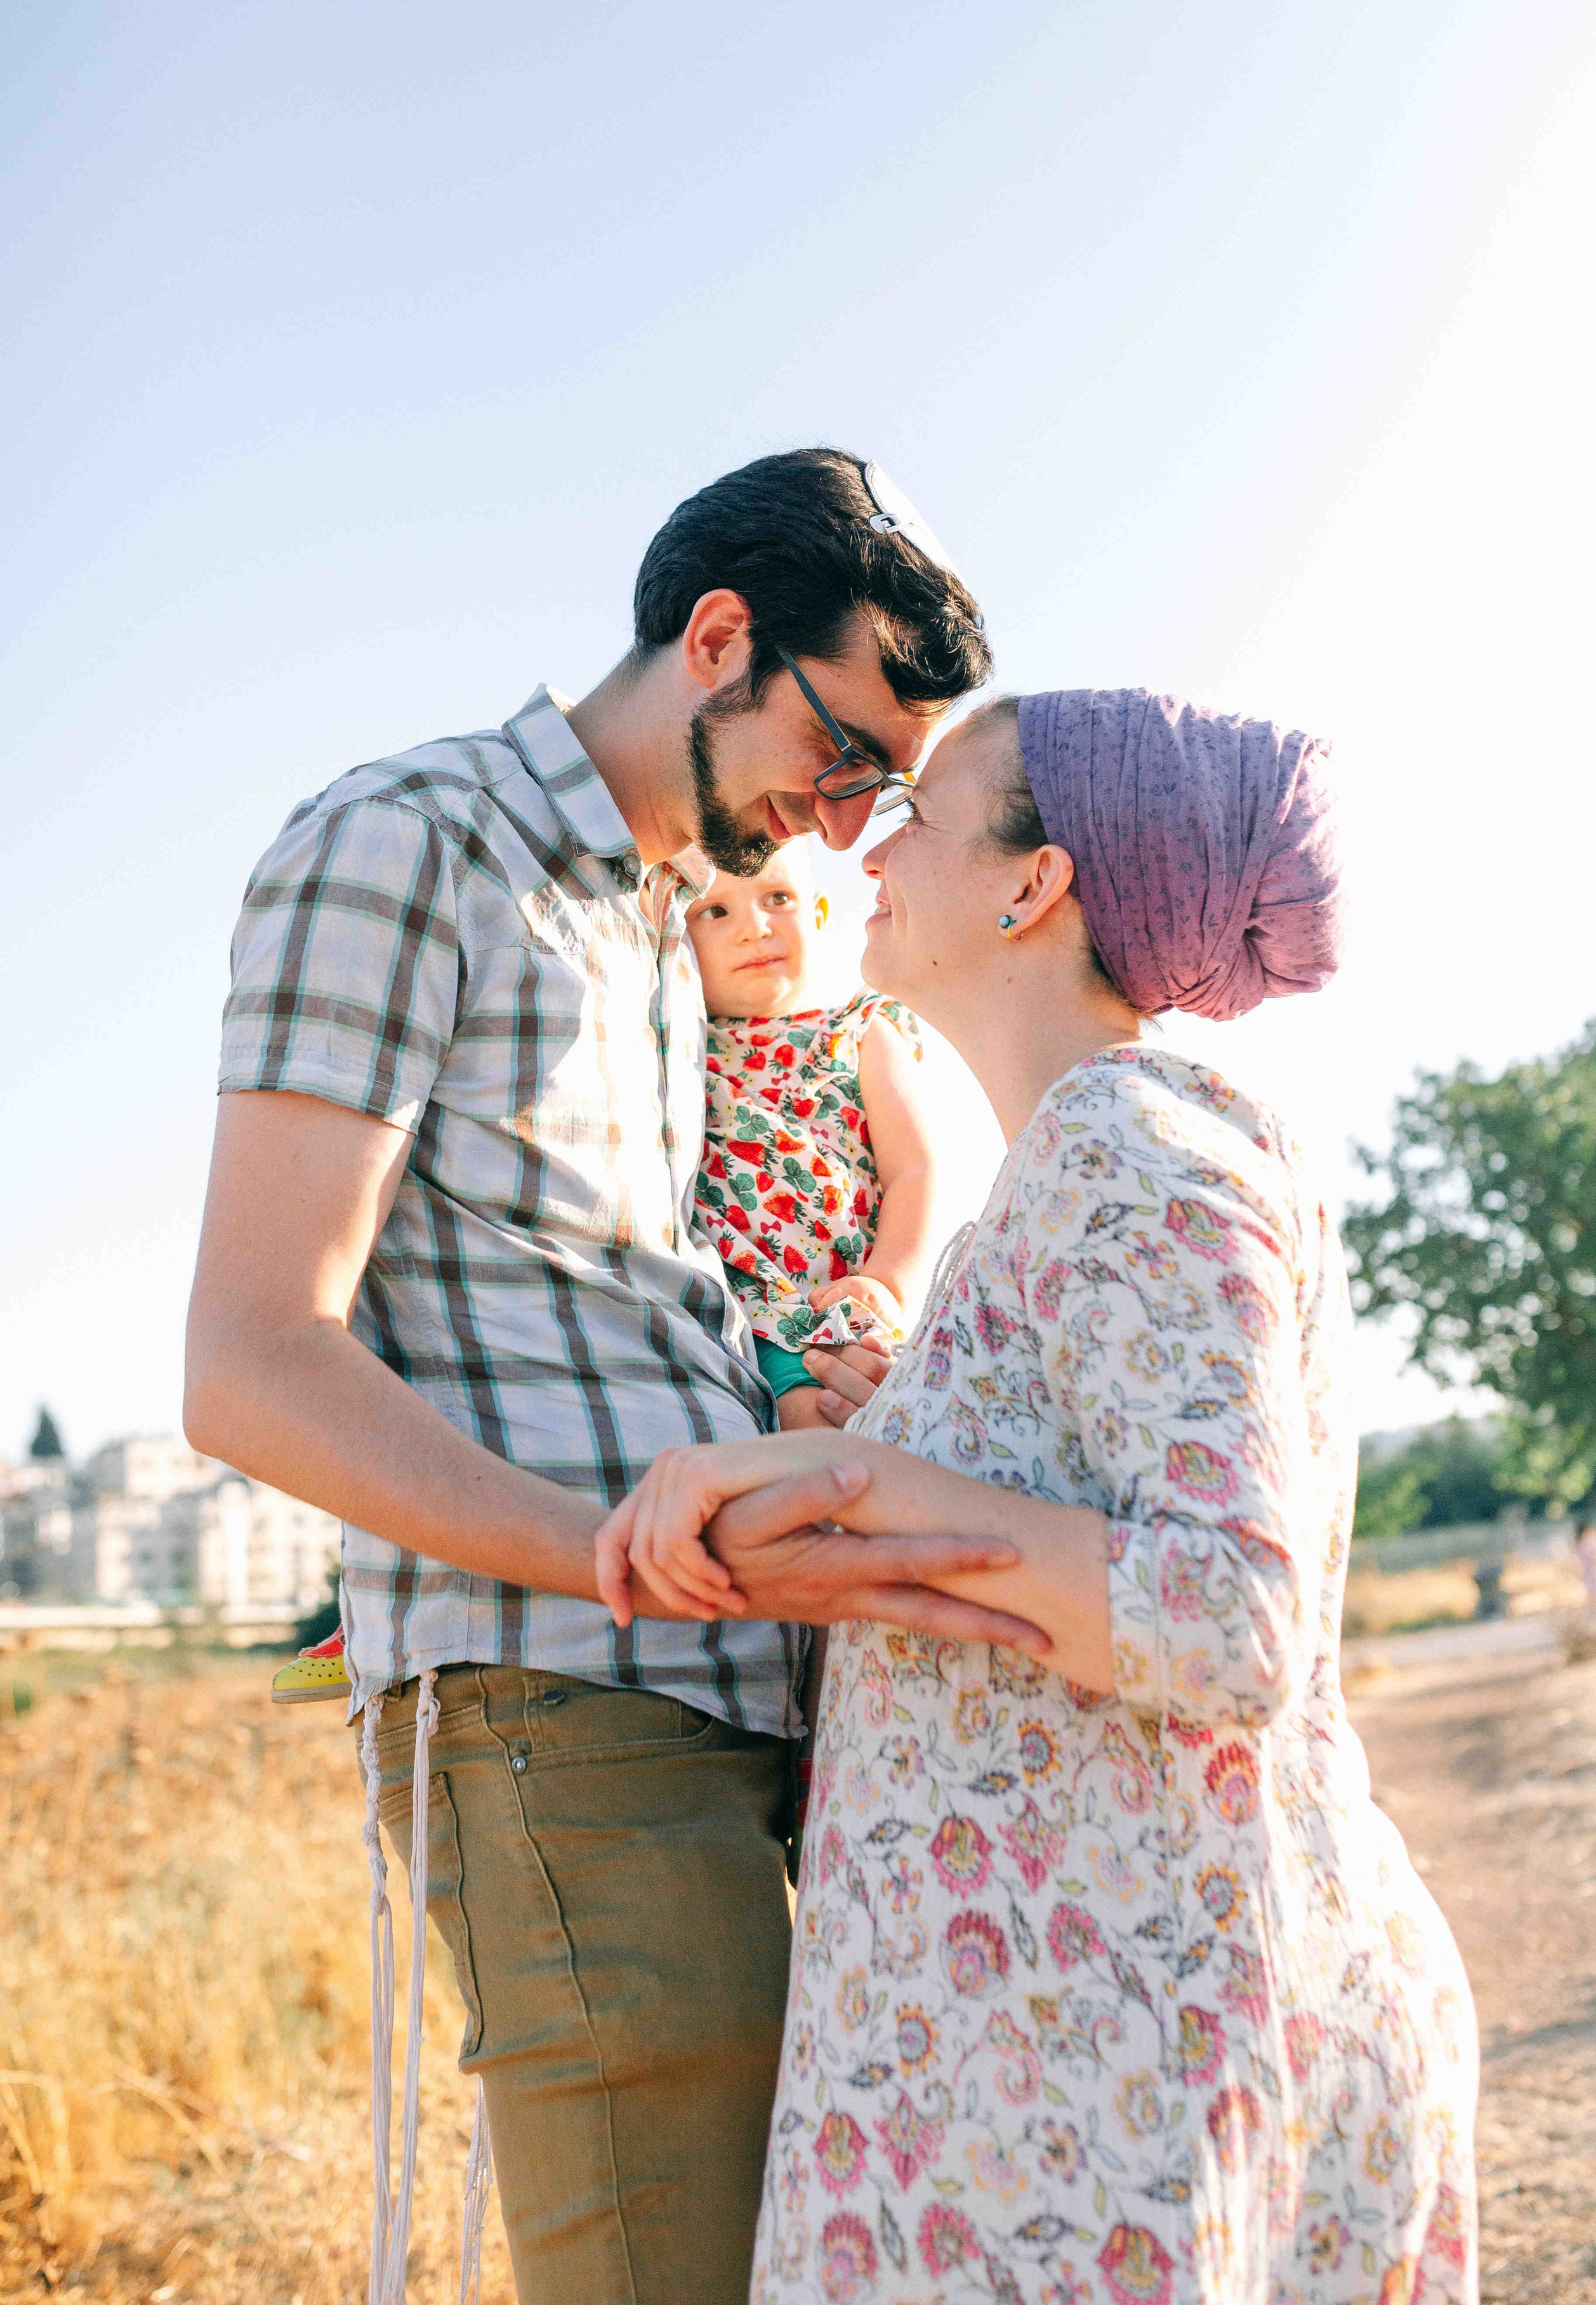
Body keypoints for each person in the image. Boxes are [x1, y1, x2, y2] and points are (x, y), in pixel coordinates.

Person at [183, 450, 1050, 2305]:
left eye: (885, 790)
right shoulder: (409, 840)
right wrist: (615, 1549)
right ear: (719, 639)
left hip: (744, 1682)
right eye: (838, 758)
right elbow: (252, 1359)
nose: (845, 823)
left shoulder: (672, 927)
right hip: (557, 1701)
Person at [597, 688, 1479, 2304]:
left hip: (1119, 2063)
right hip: (1068, 2055)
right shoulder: (1067, 1168)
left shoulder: (1128, 1145)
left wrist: (839, 1473)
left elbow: (1223, 1607)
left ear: (1030, 884)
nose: (866, 841)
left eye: (922, 814)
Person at [687, 836, 938, 1430]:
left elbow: (916, 1169)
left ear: (819, 914)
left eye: (777, 898)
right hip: (741, 1310)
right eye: (715, 912)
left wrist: (889, 1283)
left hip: (846, 1298)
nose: (754, 928)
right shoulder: (685, 1049)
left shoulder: (860, 1030)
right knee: (808, 1430)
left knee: (868, 1431)